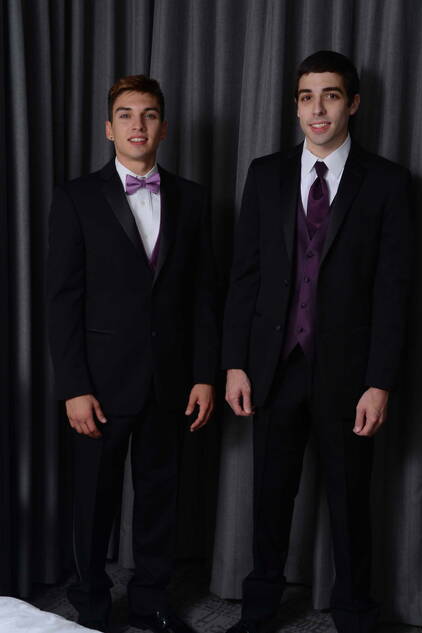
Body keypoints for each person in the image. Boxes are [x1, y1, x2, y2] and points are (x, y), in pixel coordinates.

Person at [222, 50, 412, 633]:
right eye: (306, 97)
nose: (317, 109)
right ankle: (258, 613)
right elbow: (245, 277)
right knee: (269, 497)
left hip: (349, 376)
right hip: (275, 367)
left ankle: (355, 615)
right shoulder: (266, 174)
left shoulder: (387, 182)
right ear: (296, 107)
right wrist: (235, 364)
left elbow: (394, 293)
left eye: (330, 95)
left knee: (351, 503)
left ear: (353, 103)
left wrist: (379, 382)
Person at [47, 75, 218, 633]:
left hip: (170, 380)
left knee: (160, 500)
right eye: (125, 115)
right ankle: (92, 606)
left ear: (163, 128)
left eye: (148, 115)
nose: (137, 125)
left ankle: (151, 602)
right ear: (109, 128)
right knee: (93, 503)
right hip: (99, 383)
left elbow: (203, 296)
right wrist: (74, 386)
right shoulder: (76, 198)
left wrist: (204, 374)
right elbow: (62, 300)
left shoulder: (193, 199)